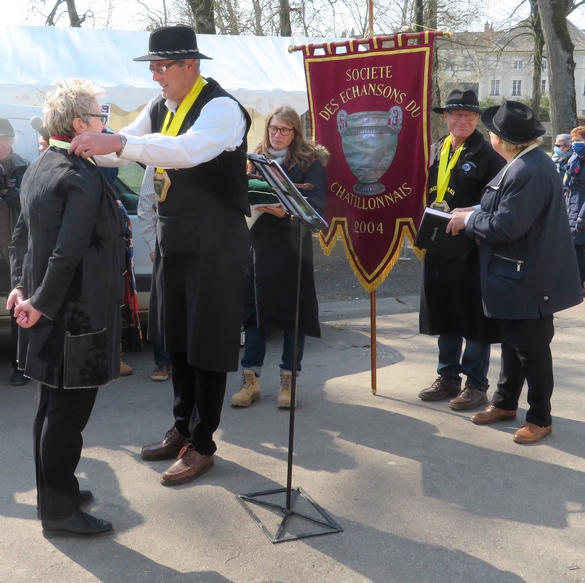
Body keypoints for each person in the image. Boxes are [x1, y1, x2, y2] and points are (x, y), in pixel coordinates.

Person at [67, 25, 251, 486]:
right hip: (176, 238)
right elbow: (122, 147)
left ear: (191, 64)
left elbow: (187, 151)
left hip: (214, 239)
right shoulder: (159, 107)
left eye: (161, 67)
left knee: (207, 342)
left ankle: (204, 444)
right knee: (178, 340)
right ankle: (182, 427)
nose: (155, 76)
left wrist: (119, 144)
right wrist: (85, 143)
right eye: (152, 67)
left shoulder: (222, 108)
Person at [7, 78, 126, 536]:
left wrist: (21, 289)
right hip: (75, 316)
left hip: (52, 309)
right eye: (100, 117)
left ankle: (56, 493)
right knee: (66, 418)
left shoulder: (42, 163)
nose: (104, 124)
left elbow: (22, 237)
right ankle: (59, 512)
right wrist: (38, 302)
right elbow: (66, 251)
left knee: (50, 409)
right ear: (79, 124)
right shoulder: (78, 174)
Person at [448, 100, 583, 444]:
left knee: (532, 351)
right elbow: (503, 204)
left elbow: (508, 225)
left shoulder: (528, 169)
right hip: (516, 276)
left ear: (502, 140)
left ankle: (540, 417)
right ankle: (505, 403)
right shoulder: (525, 163)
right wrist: (475, 208)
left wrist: (468, 220)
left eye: (493, 131)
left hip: (528, 278)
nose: (490, 134)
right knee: (512, 345)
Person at [230, 106, 329, 409]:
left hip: (292, 248)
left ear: (295, 132)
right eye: (273, 128)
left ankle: (288, 379)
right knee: (253, 315)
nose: (277, 134)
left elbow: (316, 211)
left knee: (292, 317)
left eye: (285, 129)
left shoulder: (309, 163)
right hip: (257, 246)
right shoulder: (255, 158)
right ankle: (250, 379)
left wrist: (284, 212)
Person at [418, 89, 505, 411]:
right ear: (445, 118)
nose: (461, 120)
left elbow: (498, 202)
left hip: (472, 249)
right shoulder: (435, 150)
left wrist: (472, 214)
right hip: (438, 245)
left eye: (468, 115)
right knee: (445, 313)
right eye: (455, 114)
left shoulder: (488, 155)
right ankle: (447, 377)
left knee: (473, 318)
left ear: (476, 119)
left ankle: (476, 385)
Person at [0, 118, 30, 386]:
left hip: (13, 251)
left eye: (4, 139)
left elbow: (33, 203)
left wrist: (9, 192)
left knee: (17, 308)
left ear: (11, 140)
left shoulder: (25, 167)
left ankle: (21, 366)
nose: (1, 144)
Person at [137, 165, 172, 381]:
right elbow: (146, 206)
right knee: (163, 306)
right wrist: (153, 244)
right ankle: (162, 361)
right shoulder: (158, 160)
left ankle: (189, 361)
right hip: (167, 242)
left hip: (198, 244)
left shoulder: (202, 151)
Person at [563, 126, 585, 292]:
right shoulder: (574, 160)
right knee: (573, 246)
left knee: (579, 247)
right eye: (573, 141)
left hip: (581, 209)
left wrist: (582, 216)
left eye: (578, 140)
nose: (575, 144)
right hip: (572, 206)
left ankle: (580, 283)